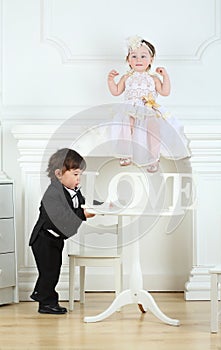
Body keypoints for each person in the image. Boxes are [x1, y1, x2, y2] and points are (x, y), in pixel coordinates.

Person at [107, 35, 191, 172]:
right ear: (128, 60)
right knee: (126, 126)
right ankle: (125, 154)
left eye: (143, 56)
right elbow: (116, 91)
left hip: (148, 108)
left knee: (154, 129)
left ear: (151, 59)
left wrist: (165, 76)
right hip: (130, 109)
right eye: (134, 56)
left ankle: (153, 158)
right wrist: (111, 80)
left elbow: (165, 92)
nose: (138, 60)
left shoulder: (153, 78)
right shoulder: (126, 77)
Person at [29, 148, 95, 314]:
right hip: (43, 239)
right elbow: (59, 217)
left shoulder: (73, 193)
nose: (78, 179)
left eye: (80, 175)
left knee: (53, 270)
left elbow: (84, 203)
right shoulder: (52, 194)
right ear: (59, 174)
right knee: (49, 272)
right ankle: (45, 301)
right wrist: (83, 214)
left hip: (55, 240)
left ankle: (42, 296)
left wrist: (100, 204)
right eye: (75, 174)